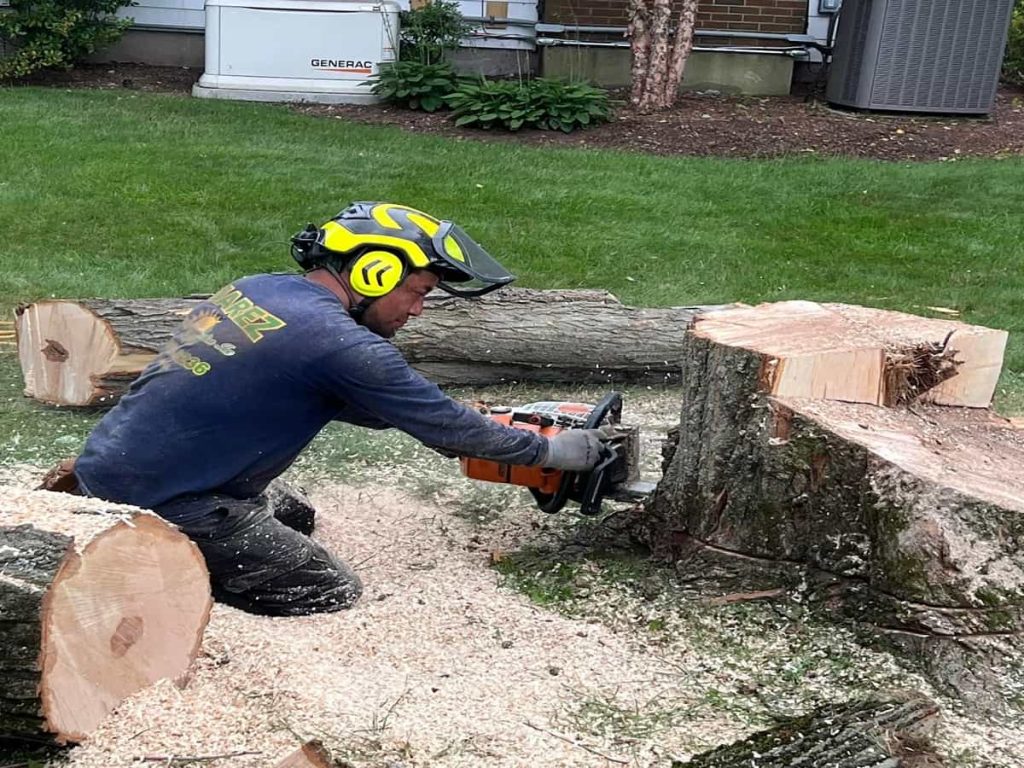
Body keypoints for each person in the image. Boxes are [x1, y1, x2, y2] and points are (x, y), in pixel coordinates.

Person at [63, 202, 608, 617]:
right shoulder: (339, 343)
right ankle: (160, 582)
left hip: (115, 461)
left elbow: (344, 398)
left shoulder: (259, 290)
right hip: (170, 498)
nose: (418, 309)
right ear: (374, 270)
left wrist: (455, 421)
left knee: (297, 516)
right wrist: (550, 450)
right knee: (325, 589)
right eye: (417, 291)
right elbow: (439, 423)